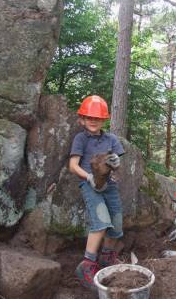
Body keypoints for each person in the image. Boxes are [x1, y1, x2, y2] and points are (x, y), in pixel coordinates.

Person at [69, 95, 125, 289]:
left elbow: (116, 161)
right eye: (89, 117)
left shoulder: (111, 139)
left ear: (104, 120)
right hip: (89, 184)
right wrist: (89, 177)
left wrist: (116, 163)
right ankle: (87, 264)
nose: (93, 121)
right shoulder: (80, 138)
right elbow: (72, 165)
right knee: (101, 222)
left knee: (116, 225)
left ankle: (107, 257)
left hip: (109, 185)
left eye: (98, 118)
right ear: (82, 119)